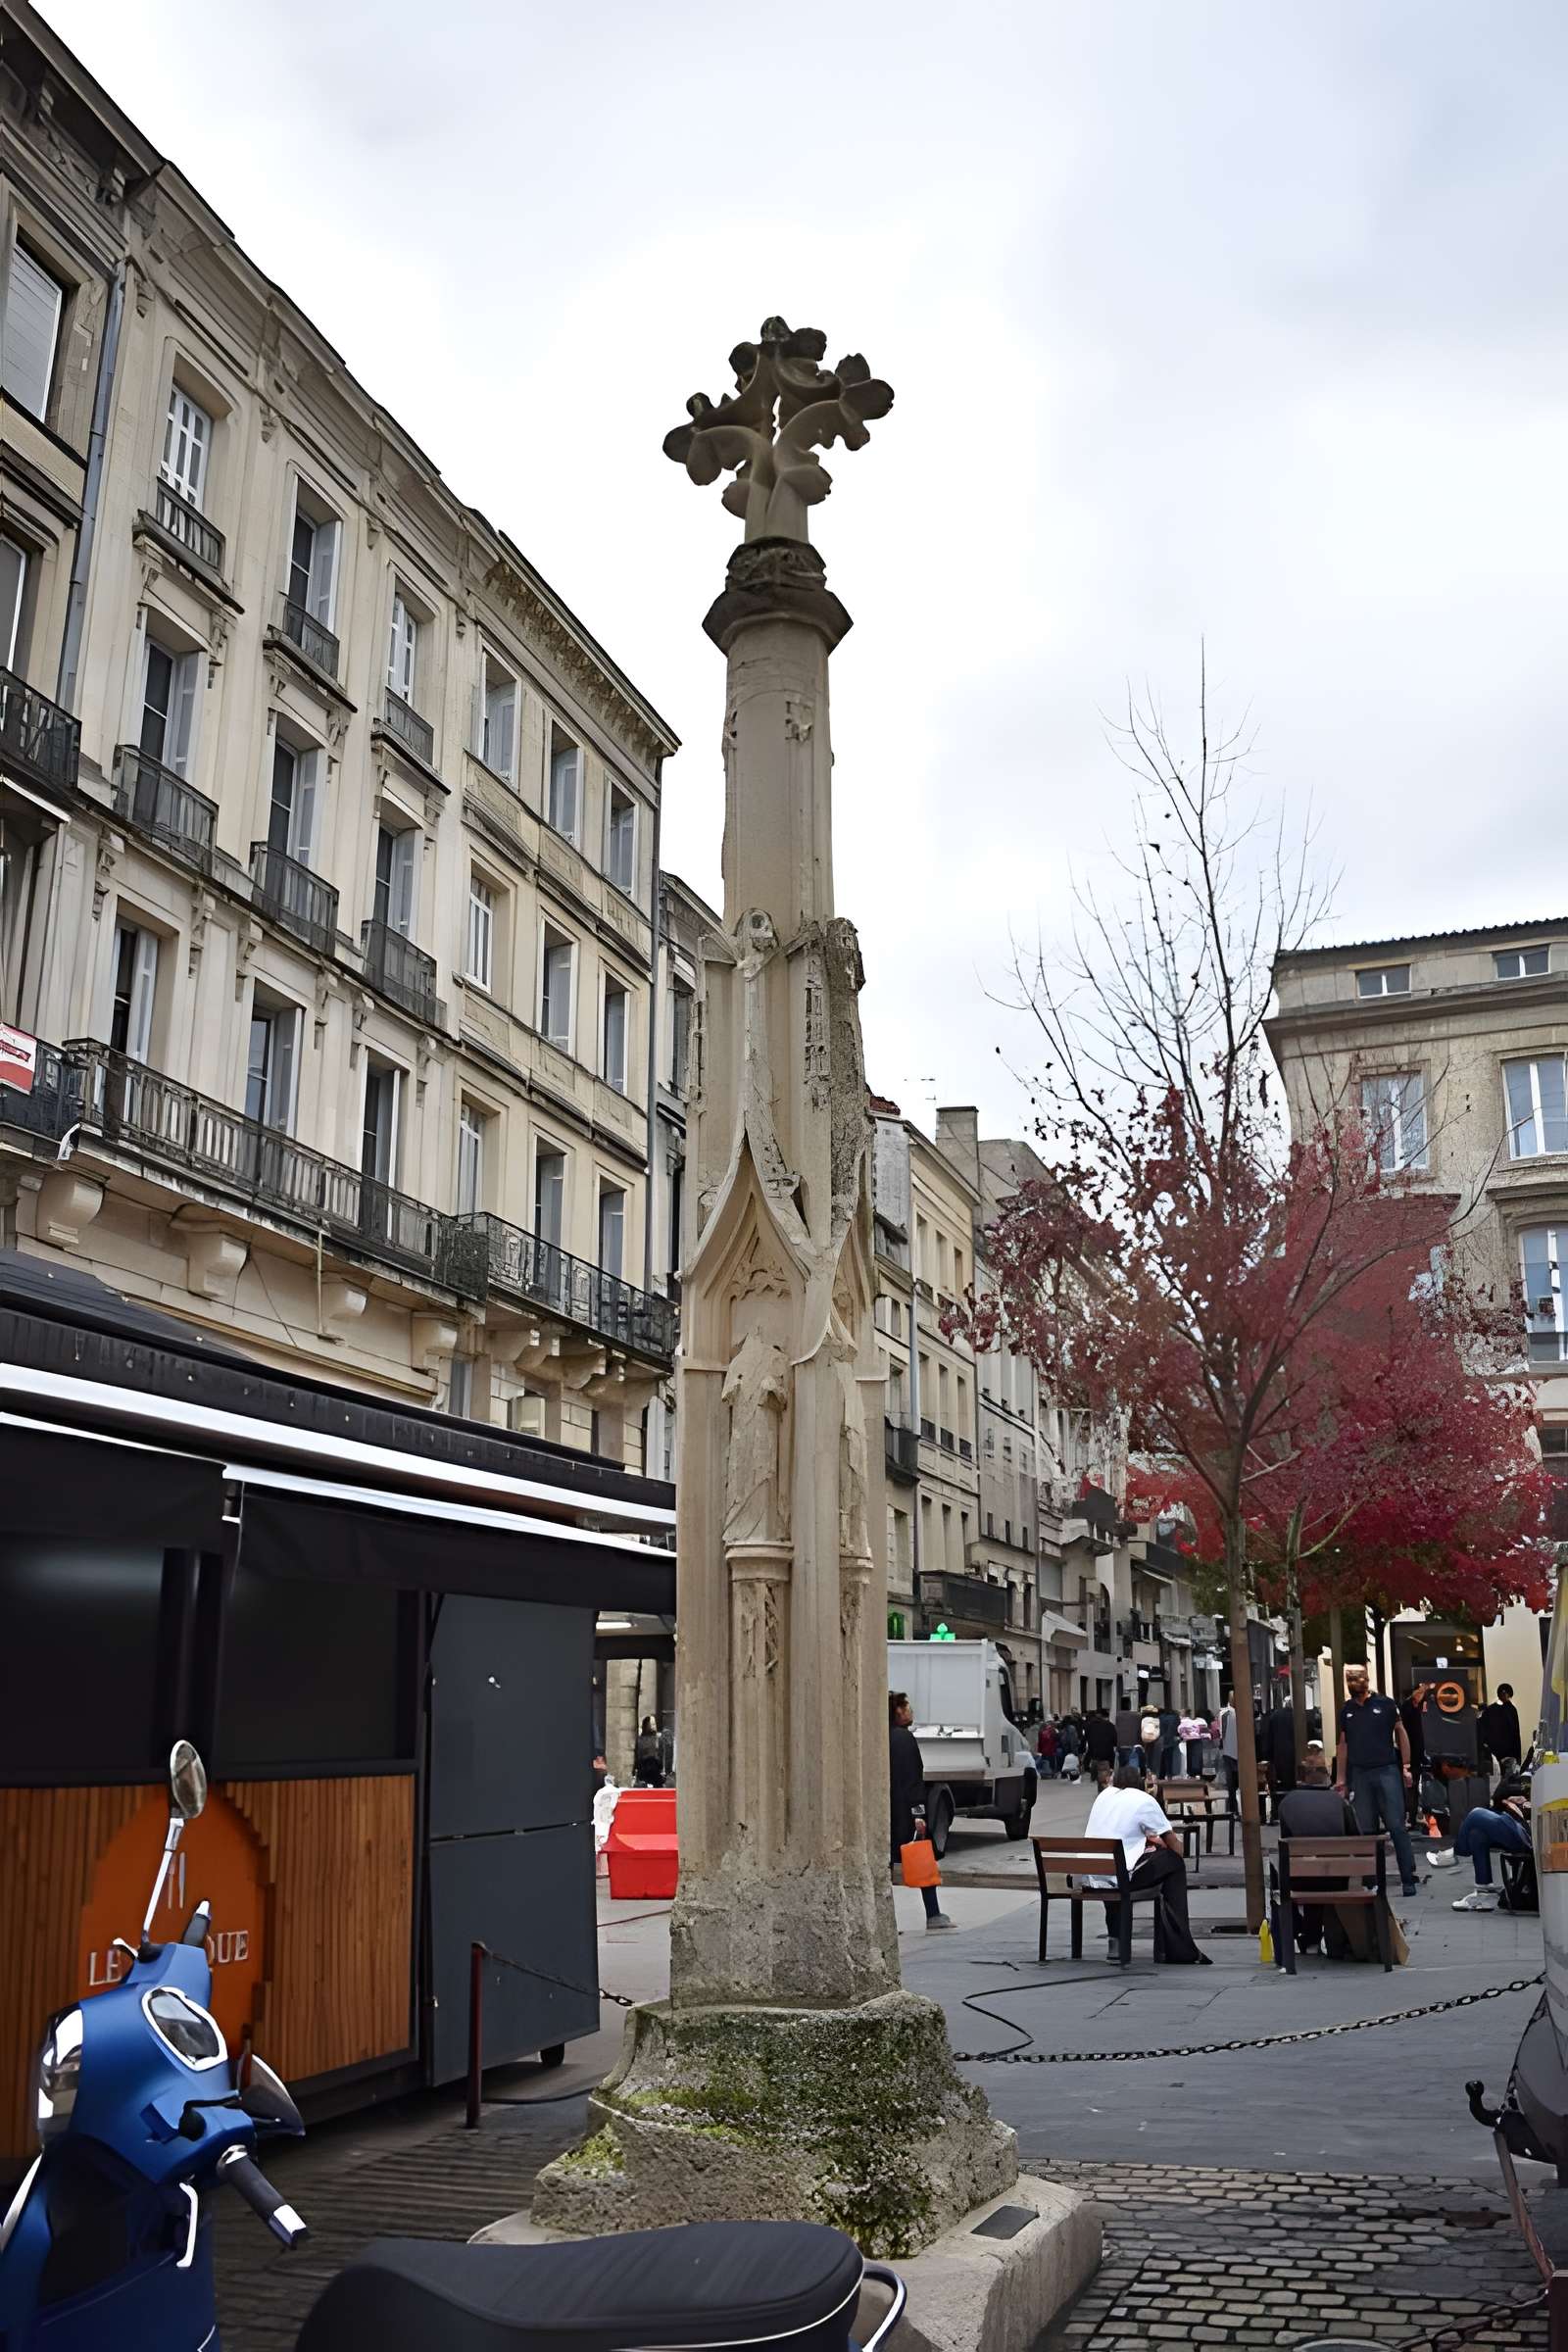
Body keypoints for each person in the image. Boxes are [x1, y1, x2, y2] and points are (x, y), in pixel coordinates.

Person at [1084, 1762, 1210, 1964]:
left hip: (1091, 1875)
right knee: (1174, 1863)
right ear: (1141, 1782)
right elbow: (1175, 1847)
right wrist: (1161, 1843)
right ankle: (1178, 1947)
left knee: (1114, 1869)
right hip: (1121, 1876)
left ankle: (1115, 1940)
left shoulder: (1103, 1796)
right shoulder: (1143, 1799)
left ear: (1114, 1781)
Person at [1336, 1664, 1419, 1898]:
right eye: (1350, 1678)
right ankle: (1370, 1878)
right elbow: (1343, 1745)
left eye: (1357, 1677)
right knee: (1366, 1829)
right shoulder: (1347, 1710)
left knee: (1396, 1826)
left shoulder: (1385, 1704)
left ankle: (1408, 1877)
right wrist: (1341, 1778)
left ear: (1366, 1679)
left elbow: (1400, 1732)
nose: (1353, 1682)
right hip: (1360, 1773)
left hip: (1386, 1770)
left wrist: (1405, 1765)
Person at [1276, 1759, 1361, 1956]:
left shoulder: (1287, 1803)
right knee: (1328, 1873)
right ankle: (1335, 1941)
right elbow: (1356, 1838)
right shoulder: (1339, 1801)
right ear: (1326, 1779)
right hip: (1336, 1879)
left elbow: (1286, 1839)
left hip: (1300, 1879)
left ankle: (1310, 1940)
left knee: (1307, 1871)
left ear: (1301, 1779)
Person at [889, 1691, 954, 1930]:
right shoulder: (904, 1739)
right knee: (922, 1858)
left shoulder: (883, 1735)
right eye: (907, 1708)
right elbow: (913, 1779)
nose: (910, 1712)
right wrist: (918, 1813)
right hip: (904, 1812)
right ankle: (933, 1914)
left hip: (887, 1810)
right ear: (897, 1712)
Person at [1430, 1768, 1532, 1911]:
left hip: (1527, 1834)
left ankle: (1456, 1853)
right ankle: (1484, 1894)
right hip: (1519, 1824)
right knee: (1477, 1834)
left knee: (1476, 1814)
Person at [1479, 1685, 1525, 1780]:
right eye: (1503, 1693)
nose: (1505, 1696)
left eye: (1506, 1693)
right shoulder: (1494, 1710)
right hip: (1496, 1755)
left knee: (1504, 1780)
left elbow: (1516, 1734)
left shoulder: (1509, 1710)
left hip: (1503, 1755)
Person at [1085, 1707, 1119, 1788]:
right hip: (1106, 1756)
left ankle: (1096, 1781)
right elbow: (1115, 1741)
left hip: (1093, 1755)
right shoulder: (1110, 1726)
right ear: (1106, 1716)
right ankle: (1102, 1791)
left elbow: (1084, 1739)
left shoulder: (1090, 1725)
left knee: (1098, 1775)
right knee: (1104, 1777)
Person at [1218, 1700, 1240, 1814]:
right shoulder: (1226, 1714)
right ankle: (1232, 1807)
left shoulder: (1225, 1714)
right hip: (1233, 1751)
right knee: (1232, 1783)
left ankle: (1231, 1807)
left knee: (1231, 1783)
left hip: (1229, 1751)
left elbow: (1221, 1733)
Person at [633, 1717, 665, 1787]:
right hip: (644, 1768)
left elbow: (661, 1754)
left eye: (654, 1724)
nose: (653, 1726)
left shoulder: (658, 1738)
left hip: (655, 1768)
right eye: (651, 1724)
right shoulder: (640, 1740)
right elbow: (638, 1756)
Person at [1178, 1709, 1208, 1776]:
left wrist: (1184, 1736)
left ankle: (1192, 1772)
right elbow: (1205, 1732)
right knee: (1196, 1756)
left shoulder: (1184, 1721)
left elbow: (1180, 1730)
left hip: (1191, 1740)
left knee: (1192, 1755)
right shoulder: (1201, 1721)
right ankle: (1196, 1772)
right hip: (1196, 1740)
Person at [1157, 1703, 1182, 1780]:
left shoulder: (1161, 1718)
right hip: (1171, 1739)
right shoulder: (1175, 1718)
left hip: (1162, 1739)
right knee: (1170, 1758)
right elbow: (1178, 1729)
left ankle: (1161, 1774)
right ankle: (1170, 1774)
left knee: (1162, 1758)